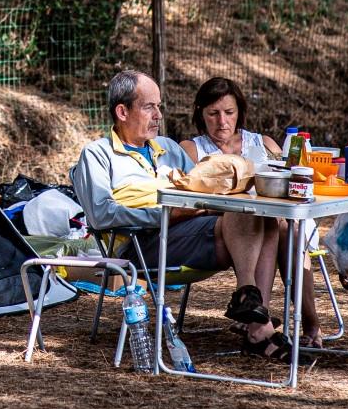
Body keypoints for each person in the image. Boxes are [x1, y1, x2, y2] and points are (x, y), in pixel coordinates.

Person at [71, 70, 294, 360]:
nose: (158, 115)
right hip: (140, 245)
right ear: (122, 111)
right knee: (248, 218)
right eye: (149, 107)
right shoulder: (98, 154)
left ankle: (253, 316)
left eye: (159, 106)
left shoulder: (170, 149)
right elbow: (102, 216)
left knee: (263, 218)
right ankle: (255, 318)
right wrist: (166, 215)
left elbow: (204, 192)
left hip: (189, 233)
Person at [178, 76, 325, 347]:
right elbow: (189, 196)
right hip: (228, 224)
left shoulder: (264, 144)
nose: (222, 121)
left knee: (286, 228)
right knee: (272, 225)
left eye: (229, 113)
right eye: (213, 113)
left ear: (240, 112)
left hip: (275, 221)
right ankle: (270, 321)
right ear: (200, 114)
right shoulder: (191, 150)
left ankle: (295, 321)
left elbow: (288, 187)